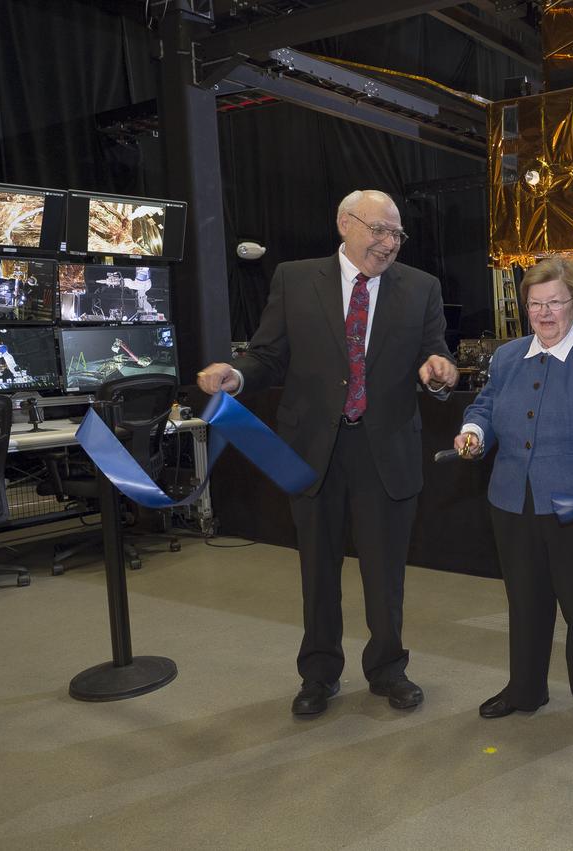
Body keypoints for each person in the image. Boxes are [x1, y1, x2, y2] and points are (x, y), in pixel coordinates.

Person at [197, 189, 457, 718]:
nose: (388, 244)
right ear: (344, 223)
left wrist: (440, 372)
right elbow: (268, 356)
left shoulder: (422, 287)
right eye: (378, 230)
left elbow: (437, 353)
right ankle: (318, 673)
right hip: (314, 449)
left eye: (397, 234)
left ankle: (388, 669)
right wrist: (237, 374)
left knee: (386, 573)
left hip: (385, 449)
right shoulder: (294, 279)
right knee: (316, 569)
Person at [452, 256, 573, 737]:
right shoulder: (508, 357)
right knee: (526, 602)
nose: (545, 313)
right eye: (536, 304)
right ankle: (525, 689)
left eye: (555, 302)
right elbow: (487, 405)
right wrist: (473, 431)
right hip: (514, 502)